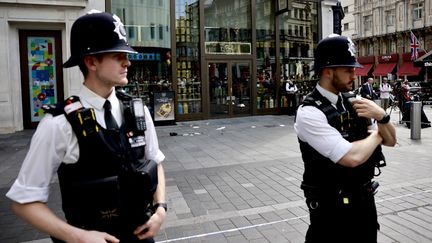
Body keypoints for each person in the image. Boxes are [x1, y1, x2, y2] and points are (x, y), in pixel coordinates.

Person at [6, 10, 167, 243]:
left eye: (127, 54)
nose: (127, 62)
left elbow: (155, 161)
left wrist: (160, 208)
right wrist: (78, 237)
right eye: (118, 54)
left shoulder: (137, 110)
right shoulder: (58, 124)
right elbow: (23, 202)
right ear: (91, 61)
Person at [295, 34, 396, 243]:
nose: (354, 74)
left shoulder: (355, 102)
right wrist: (378, 133)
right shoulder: (309, 112)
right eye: (348, 70)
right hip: (331, 212)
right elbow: (351, 157)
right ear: (328, 71)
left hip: (364, 203)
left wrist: (381, 116)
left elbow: (392, 140)